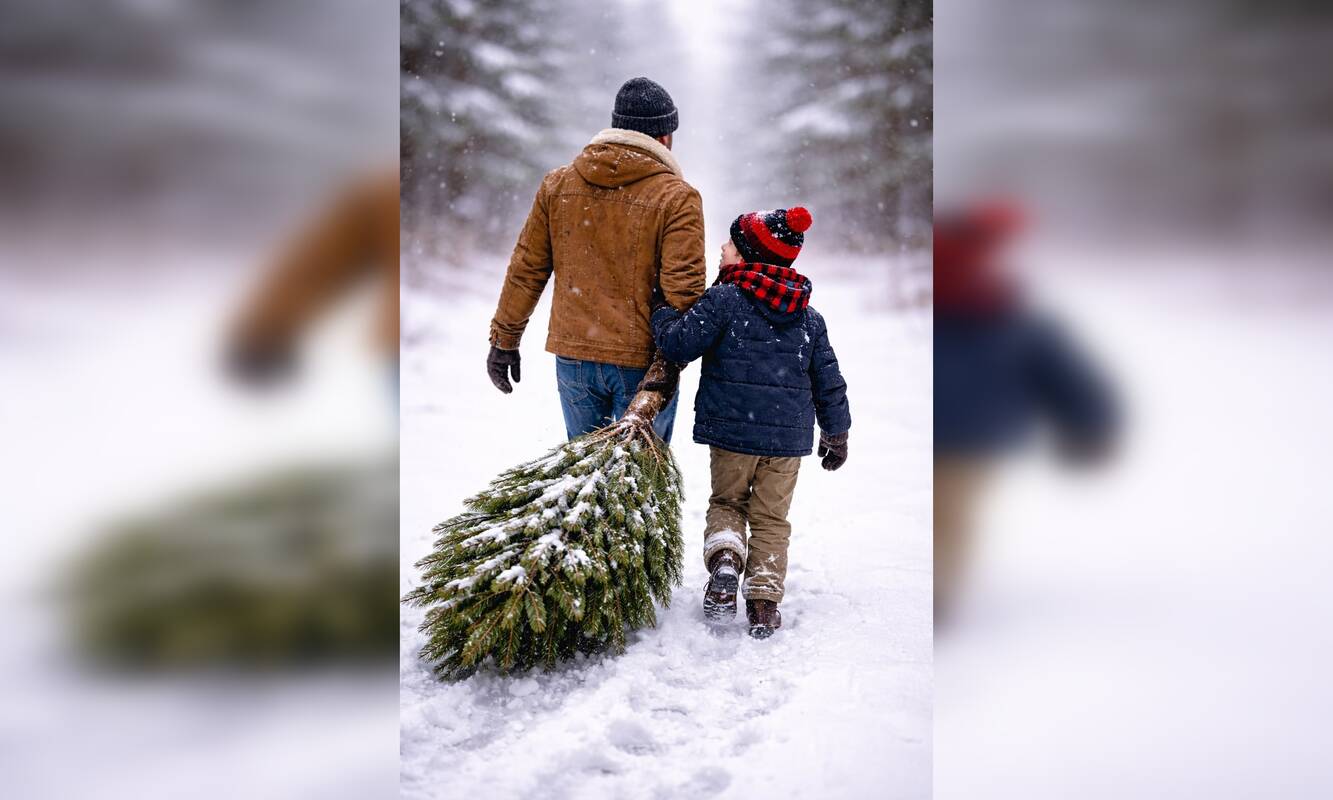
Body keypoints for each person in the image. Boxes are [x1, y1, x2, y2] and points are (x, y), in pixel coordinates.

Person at [651, 207, 850, 638]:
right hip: (787, 441)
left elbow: (678, 343)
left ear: (746, 255)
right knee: (771, 519)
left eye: (729, 244)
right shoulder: (809, 317)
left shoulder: (725, 300)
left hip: (732, 432)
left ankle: (725, 559)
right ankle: (762, 602)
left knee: (728, 503)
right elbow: (829, 381)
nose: (721, 250)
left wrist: (662, 310)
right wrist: (836, 432)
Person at [487, 77, 706, 442]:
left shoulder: (558, 185)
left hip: (574, 357)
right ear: (665, 137)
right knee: (640, 485)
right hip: (643, 362)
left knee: (583, 482)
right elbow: (683, 291)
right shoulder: (678, 198)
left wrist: (504, 340)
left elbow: (527, 268)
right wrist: (675, 360)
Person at [934, 201, 1119, 623]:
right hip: (973, 432)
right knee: (953, 518)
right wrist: (1092, 423)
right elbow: (1058, 369)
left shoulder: (999, 301)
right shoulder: (1000, 299)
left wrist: (1092, 421)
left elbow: (1056, 366)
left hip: (965, 429)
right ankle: (939, 597)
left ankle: (939, 597)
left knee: (948, 516)